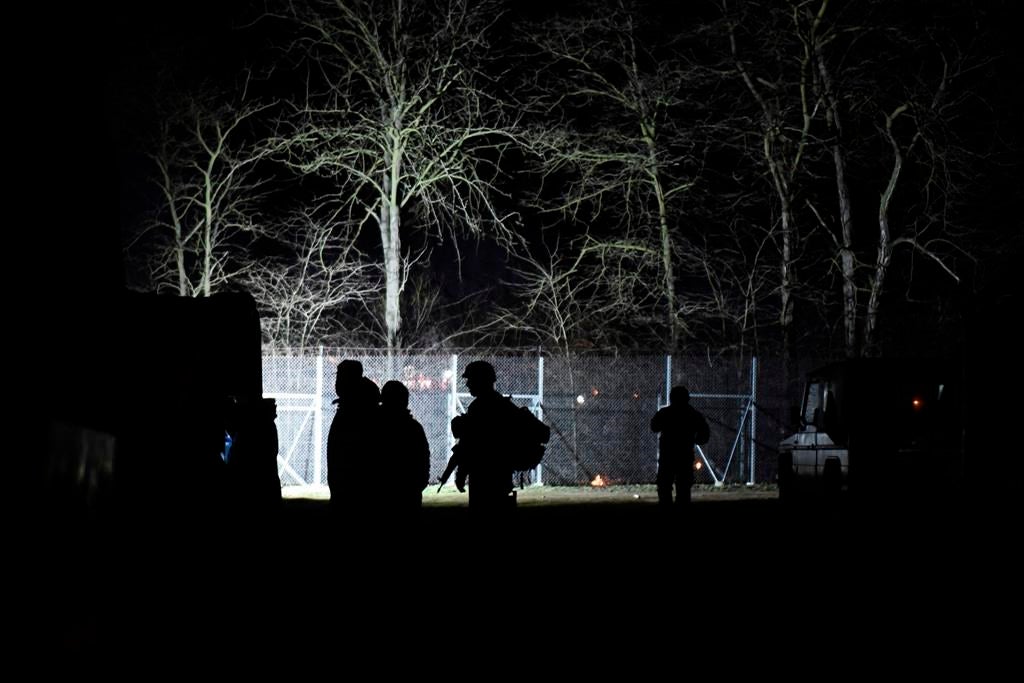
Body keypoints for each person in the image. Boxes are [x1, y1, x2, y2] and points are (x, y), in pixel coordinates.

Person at [449, 360, 518, 512]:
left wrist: (461, 473)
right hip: (501, 475)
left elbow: (471, 445)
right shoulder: (503, 405)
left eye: (471, 380)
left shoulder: (479, 408)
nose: (468, 385)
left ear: (480, 381)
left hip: (483, 477)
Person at [326, 360, 381, 514]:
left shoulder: (356, 412)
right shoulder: (355, 406)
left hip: (351, 490)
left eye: (340, 375)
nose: (336, 380)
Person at [651, 385, 710, 508]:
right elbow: (704, 433)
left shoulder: (666, 413)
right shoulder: (693, 414)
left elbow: (654, 427)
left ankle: (666, 507)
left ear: (672, 398)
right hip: (684, 454)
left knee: (664, 485)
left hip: (668, 454)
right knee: (683, 486)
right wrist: (697, 440)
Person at [379, 380, 430, 512]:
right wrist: (418, 485)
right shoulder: (414, 428)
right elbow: (423, 460)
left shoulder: (375, 428)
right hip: (409, 492)